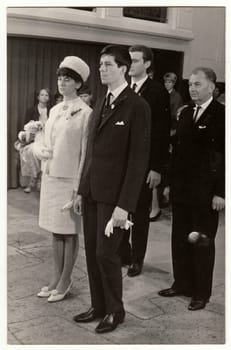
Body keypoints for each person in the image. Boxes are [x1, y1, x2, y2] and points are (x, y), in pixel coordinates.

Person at [73, 45, 151, 333]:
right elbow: (91, 154)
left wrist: (124, 205)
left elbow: (138, 161)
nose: (102, 69)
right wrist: (82, 191)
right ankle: (99, 306)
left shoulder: (137, 106)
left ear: (123, 68)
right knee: (93, 253)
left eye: (108, 64)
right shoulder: (101, 103)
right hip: (93, 193)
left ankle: (115, 311)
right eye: (100, 64)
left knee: (108, 254)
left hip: (115, 199)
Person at [158, 67, 225, 311]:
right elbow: (177, 155)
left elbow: (223, 158)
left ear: (211, 87)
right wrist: (168, 184)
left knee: (202, 242)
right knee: (179, 239)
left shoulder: (222, 115)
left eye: (197, 84)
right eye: (190, 85)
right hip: (182, 190)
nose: (192, 89)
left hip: (207, 194)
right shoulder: (186, 114)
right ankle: (181, 283)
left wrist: (222, 192)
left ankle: (201, 293)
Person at [37, 56, 92, 302]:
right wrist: (41, 152)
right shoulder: (55, 109)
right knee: (54, 231)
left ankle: (66, 279)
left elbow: (84, 154)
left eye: (67, 79)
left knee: (69, 233)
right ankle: (55, 276)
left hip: (70, 180)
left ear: (78, 83)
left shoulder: (86, 113)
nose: (61, 83)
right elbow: (48, 142)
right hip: (51, 177)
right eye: (60, 78)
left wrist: (79, 188)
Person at [119, 45, 170, 277]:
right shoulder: (122, 88)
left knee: (139, 214)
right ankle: (123, 252)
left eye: (135, 60)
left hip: (144, 164)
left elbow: (161, 132)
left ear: (147, 64)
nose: (130, 65)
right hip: (121, 164)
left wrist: (156, 168)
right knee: (120, 210)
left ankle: (137, 260)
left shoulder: (157, 92)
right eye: (129, 60)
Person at [18, 88, 51, 193]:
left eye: (46, 95)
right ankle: (32, 181)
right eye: (42, 95)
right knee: (30, 152)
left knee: (45, 154)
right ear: (38, 97)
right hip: (34, 137)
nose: (44, 97)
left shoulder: (52, 110)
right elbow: (26, 127)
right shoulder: (31, 110)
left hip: (48, 137)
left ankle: (41, 181)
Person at [163, 72, 183, 136]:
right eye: (165, 82)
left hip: (172, 126)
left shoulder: (177, 96)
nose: (167, 84)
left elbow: (175, 114)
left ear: (173, 83)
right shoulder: (162, 94)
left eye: (169, 82)